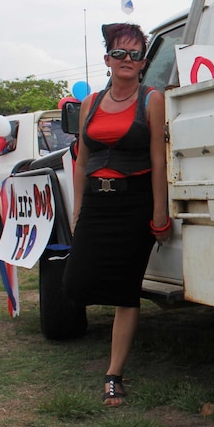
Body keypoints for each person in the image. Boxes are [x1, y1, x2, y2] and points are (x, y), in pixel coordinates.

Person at [63, 23, 171, 407]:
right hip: (96, 203)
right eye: (120, 54)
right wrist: (78, 208)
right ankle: (110, 356)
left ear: (143, 62)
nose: (128, 60)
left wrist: (159, 215)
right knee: (75, 282)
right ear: (107, 59)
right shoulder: (90, 103)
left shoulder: (151, 99)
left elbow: (159, 161)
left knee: (127, 291)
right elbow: (81, 161)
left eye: (135, 54)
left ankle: (114, 374)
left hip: (134, 203)